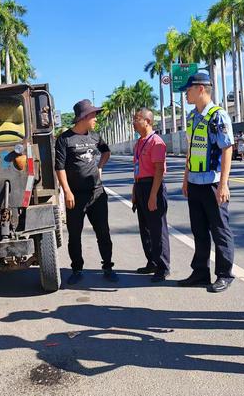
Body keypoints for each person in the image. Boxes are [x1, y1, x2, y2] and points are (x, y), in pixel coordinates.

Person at [178, 73, 235, 293]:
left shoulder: (217, 115)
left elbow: (226, 148)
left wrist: (223, 183)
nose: (186, 94)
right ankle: (201, 272)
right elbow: (191, 151)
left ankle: (224, 274)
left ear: (201, 89)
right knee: (199, 230)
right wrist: (185, 179)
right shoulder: (192, 117)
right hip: (194, 183)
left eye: (188, 90)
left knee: (220, 230)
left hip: (212, 182)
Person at [55, 99, 117, 285]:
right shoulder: (65, 139)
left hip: (97, 193)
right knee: (74, 235)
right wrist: (67, 191)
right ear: (83, 117)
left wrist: (100, 167)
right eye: (93, 115)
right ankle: (77, 269)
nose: (96, 119)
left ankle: (108, 267)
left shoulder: (95, 136)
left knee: (103, 233)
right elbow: (60, 168)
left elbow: (106, 152)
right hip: (76, 195)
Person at [132, 108, 170, 281]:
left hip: (153, 186)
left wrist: (153, 195)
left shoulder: (156, 142)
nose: (133, 122)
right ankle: (152, 262)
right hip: (140, 186)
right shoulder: (138, 143)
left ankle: (163, 267)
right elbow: (136, 169)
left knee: (157, 229)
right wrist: (135, 190)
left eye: (136, 119)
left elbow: (159, 171)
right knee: (145, 229)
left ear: (147, 121)